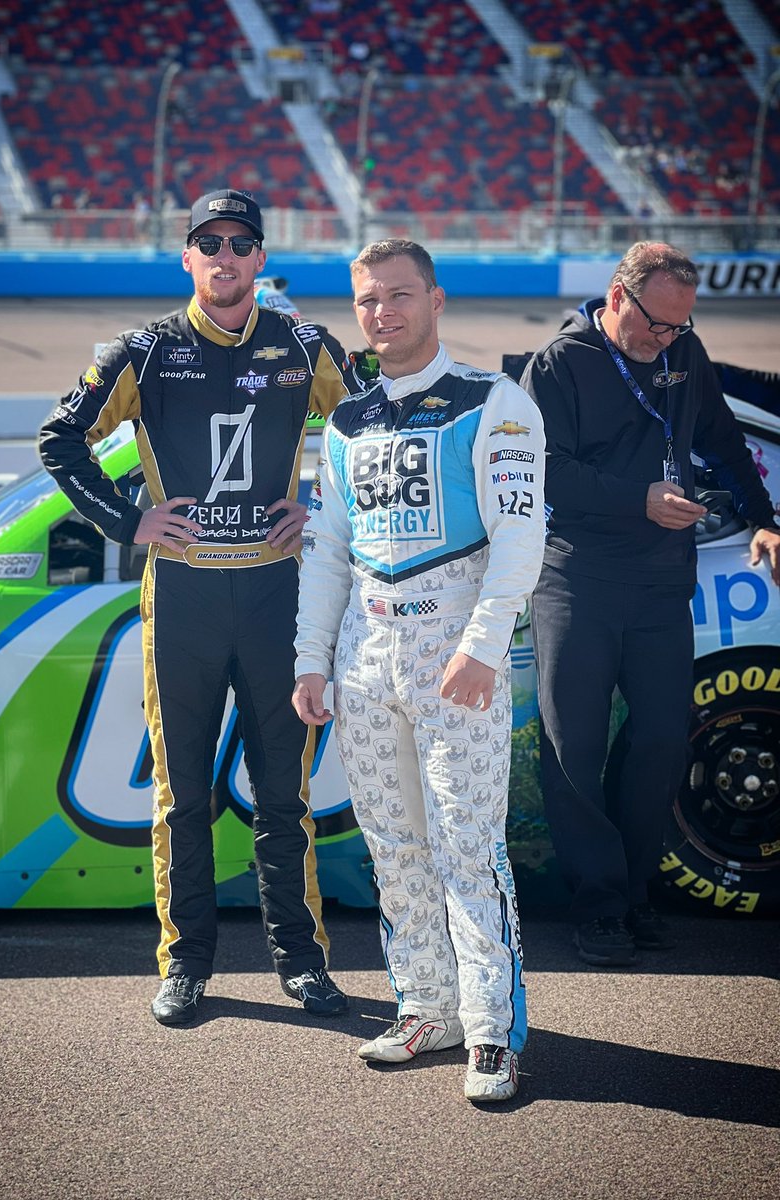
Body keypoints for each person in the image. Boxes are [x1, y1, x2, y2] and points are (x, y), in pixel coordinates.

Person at [40, 188, 359, 1024]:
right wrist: (126, 519)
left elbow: (378, 430)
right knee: (183, 796)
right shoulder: (140, 352)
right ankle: (185, 965)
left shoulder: (305, 343)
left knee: (283, 797)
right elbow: (58, 439)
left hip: (276, 599)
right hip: (180, 597)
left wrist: (327, 512)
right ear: (187, 257)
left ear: (260, 258)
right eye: (208, 243)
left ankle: (301, 961)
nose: (225, 256)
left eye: (241, 243)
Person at [292, 239, 546, 1103]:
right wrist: (310, 660)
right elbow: (328, 549)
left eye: (400, 296)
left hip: (455, 661)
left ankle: (489, 1032)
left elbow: (520, 539)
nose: (382, 313)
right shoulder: (346, 420)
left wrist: (481, 646)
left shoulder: (495, 402)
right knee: (394, 849)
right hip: (365, 667)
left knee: (468, 850)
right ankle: (427, 1008)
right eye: (367, 300)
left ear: (436, 300)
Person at [519, 242, 780, 968]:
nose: (667, 339)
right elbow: (544, 471)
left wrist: (765, 518)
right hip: (578, 577)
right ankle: (598, 906)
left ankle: (634, 894)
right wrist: (636, 498)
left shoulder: (684, 352)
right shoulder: (560, 364)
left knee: (664, 740)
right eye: (657, 325)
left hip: (665, 579)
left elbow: (724, 439)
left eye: (680, 327)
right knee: (575, 747)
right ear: (616, 295)